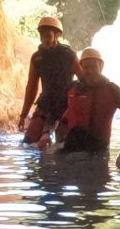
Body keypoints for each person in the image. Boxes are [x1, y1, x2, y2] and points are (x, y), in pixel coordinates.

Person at [19, 16, 82, 145]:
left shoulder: (69, 55)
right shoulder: (37, 58)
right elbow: (31, 87)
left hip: (66, 105)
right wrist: (23, 115)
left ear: (57, 35)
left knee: (63, 145)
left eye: (48, 35)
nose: (44, 39)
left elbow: (83, 80)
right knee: (28, 142)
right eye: (42, 35)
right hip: (46, 103)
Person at [58, 47, 120, 153]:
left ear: (101, 67)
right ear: (81, 68)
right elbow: (56, 112)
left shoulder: (112, 90)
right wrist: (46, 133)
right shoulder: (72, 88)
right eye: (86, 67)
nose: (90, 71)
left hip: (97, 149)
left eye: (94, 66)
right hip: (71, 146)